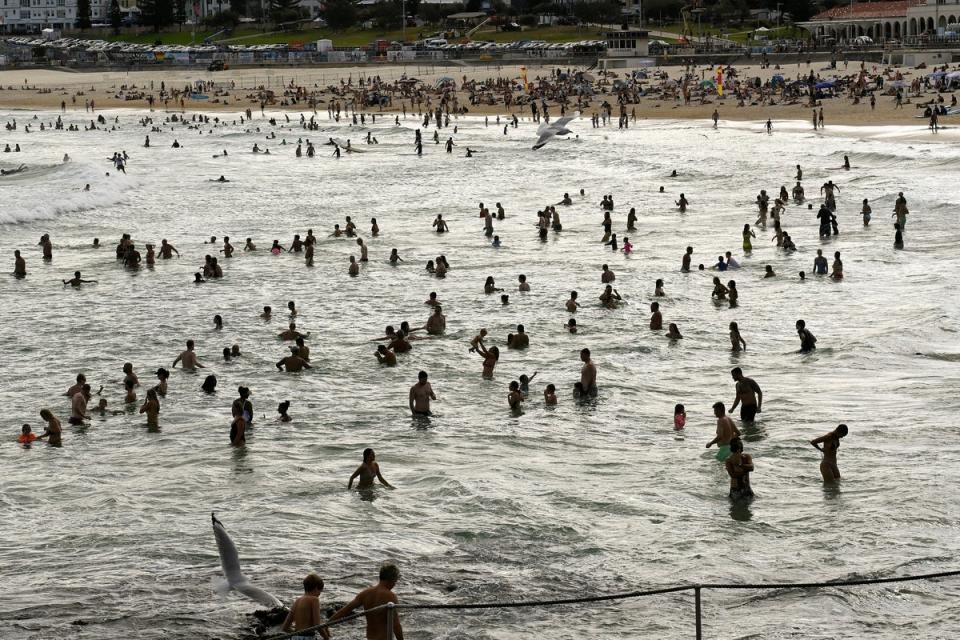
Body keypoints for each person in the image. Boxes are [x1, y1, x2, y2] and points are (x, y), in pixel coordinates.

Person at [329, 563, 403, 640]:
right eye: (395, 581)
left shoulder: (365, 593)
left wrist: (327, 624)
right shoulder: (390, 596)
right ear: (392, 579)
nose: (395, 584)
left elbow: (344, 611)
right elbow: (396, 625)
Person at [281, 574, 331, 640]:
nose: (319, 594)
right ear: (316, 588)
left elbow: (285, 627)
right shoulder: (314, 599)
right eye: (320, 591)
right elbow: (317, 625)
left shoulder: (297, 601)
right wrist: (326, 638)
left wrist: (297, 634)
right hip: (308, 637)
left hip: (295, 637)